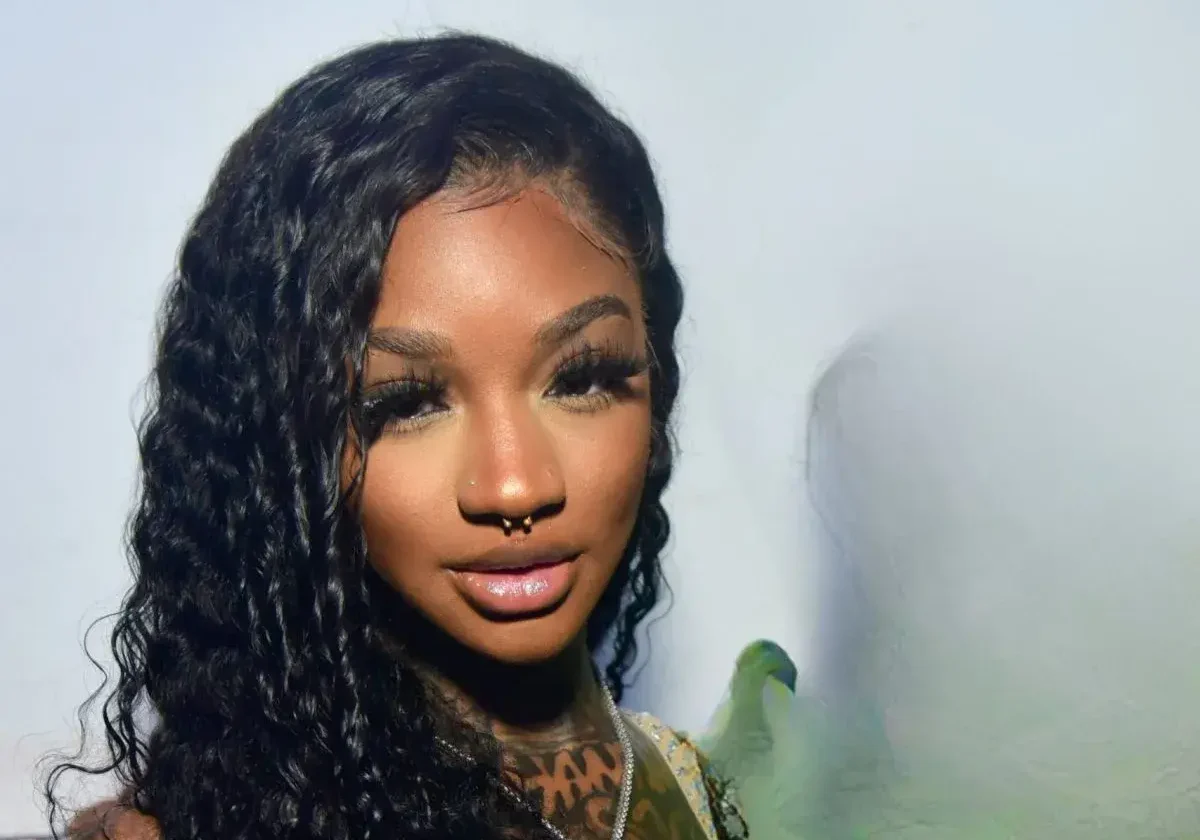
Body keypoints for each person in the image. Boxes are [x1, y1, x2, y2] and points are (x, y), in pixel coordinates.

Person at [49, 33, 755, 840]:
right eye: (409, 403)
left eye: (581, 378)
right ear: (288, 448)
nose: (517, 486)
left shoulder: (689, 781)